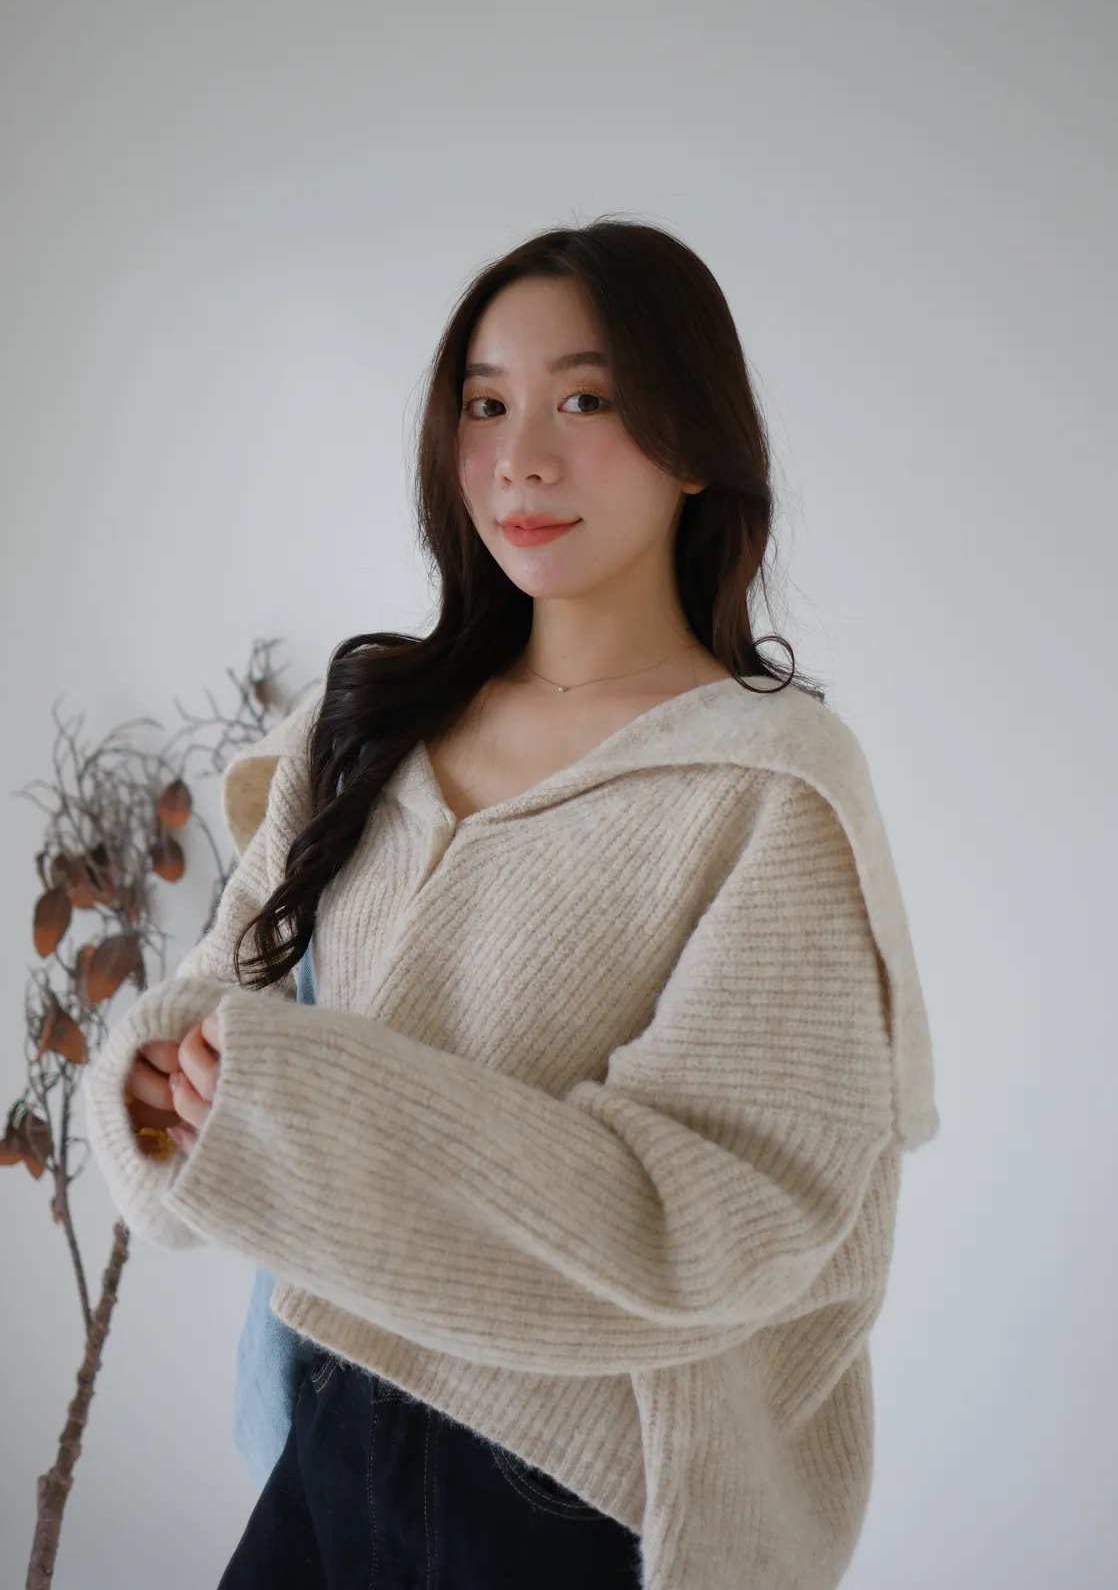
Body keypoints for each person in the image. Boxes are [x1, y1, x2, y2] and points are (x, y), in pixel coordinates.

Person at [82, 217, 939, 1590]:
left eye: (585, 402)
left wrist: (291, 1101)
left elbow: (710, 1229)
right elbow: (222, 998)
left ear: (697, 444)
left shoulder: (768, 789)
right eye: (485, 405)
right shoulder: (368, 720)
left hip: (552, 1493)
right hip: (330, 1421)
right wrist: (156, 1084)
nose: (520, 458)